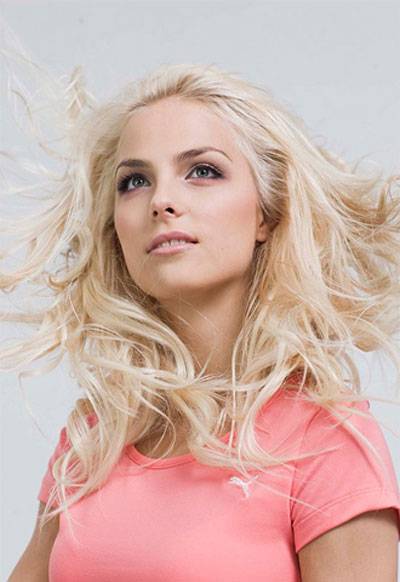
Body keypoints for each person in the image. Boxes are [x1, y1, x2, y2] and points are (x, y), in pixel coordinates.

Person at [3, 54, 400, 581]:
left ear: (266, 213)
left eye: (203, 171)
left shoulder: (326, 440)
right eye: (134, 181)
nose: (162, 201)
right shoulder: (95, 439)